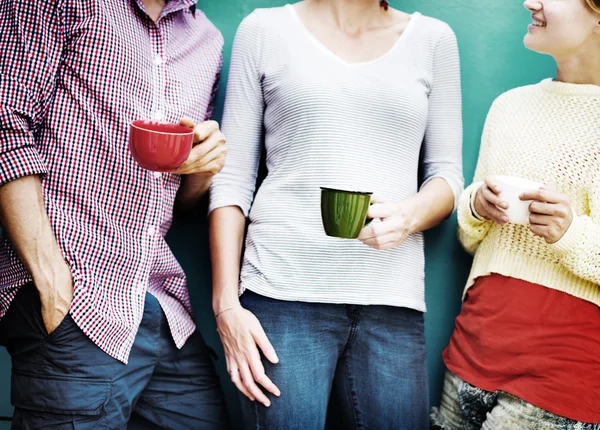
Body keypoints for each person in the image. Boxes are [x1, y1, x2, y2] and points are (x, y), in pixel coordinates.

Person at [209, 0, 463, 428]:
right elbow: (231, 179)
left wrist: (409, 216)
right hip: (281, 298)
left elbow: (446, 176)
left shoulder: (434, 40)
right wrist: (225, 307)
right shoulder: (265, 29)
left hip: (392, 302)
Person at [0, 0, 229, 428]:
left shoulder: (206, 39)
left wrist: (204, 169)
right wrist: (49, 277)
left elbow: (180, 203)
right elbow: (4, 119)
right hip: (78, 298)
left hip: (164, 306)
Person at [432, 0, 600, 428]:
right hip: (470, 354)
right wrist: (476, 205)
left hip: (560, 380)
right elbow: (472, 239)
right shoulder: (509, 107)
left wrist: (570, 233)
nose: (531, 1)